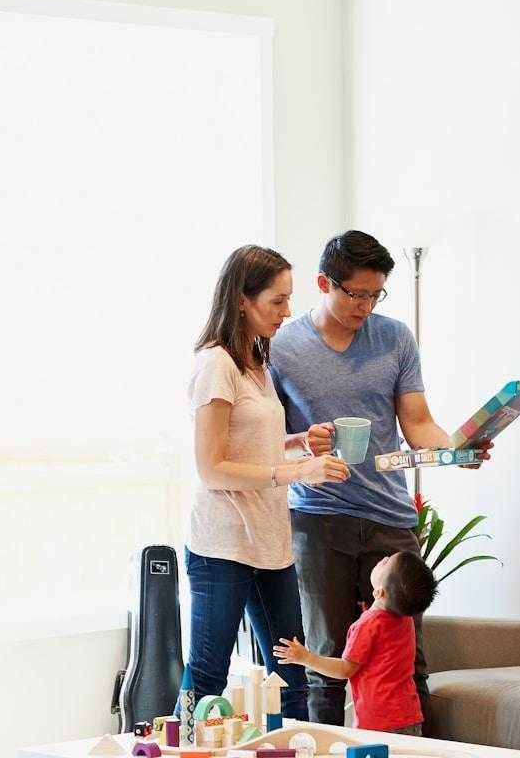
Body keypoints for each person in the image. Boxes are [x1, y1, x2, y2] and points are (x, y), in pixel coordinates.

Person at [269, 230, 492, 726]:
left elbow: (417, 422)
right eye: (356, 294)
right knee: (325, 661)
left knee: (407, 663)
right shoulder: (282, 347)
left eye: (376, 294)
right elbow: (265, 438)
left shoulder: (394, 337)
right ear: (325, 282)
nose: (366, 306)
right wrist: (305, 440)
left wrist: (455, 452)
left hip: (390, 520)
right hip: (318, 518)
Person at [180, 245, 350, 720]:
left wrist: (299, 443)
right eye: (276, 300)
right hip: (224, 545)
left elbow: (251, 448)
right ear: (241, 299)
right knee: (208, 677)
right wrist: (298, 472)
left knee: (290, 679)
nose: (287, 311)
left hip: (271, 545)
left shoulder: (255, 361)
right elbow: (212, 467)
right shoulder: (215, 364)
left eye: (288, 299)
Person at [273, 551, 438, 735]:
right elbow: (385, 645)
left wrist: (306, 658)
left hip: (378, 724)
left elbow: (345, 669)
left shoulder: (366, 626)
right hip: (410, 716)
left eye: (386, 562)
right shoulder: (406, 619)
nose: (383, 558)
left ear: (379, 592)